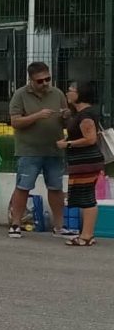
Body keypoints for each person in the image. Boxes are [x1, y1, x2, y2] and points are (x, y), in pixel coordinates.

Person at [6, 62, 72, 239]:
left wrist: (66, 116)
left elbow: (66, 118)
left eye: (47, 79)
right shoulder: (20, 94)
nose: (45, 83)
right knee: (23, 187)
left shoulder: (57, 93)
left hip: (54, 149)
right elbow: (15, 122)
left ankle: (59, 226)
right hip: (29, 150)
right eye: (40, 81)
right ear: (31, 80)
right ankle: (15, 224)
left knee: (56, 187)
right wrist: (37, 115)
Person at [59, 81, 102, 246]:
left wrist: (68, 144)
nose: (68, 93)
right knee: (83, 196)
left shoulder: (86, 115)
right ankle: (86, 234)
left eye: (71, 90)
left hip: (87, 161)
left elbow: (90, 139)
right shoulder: (79, 113)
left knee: (87, 198)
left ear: (80, 94)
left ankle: (87, 235)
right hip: (81, 161)